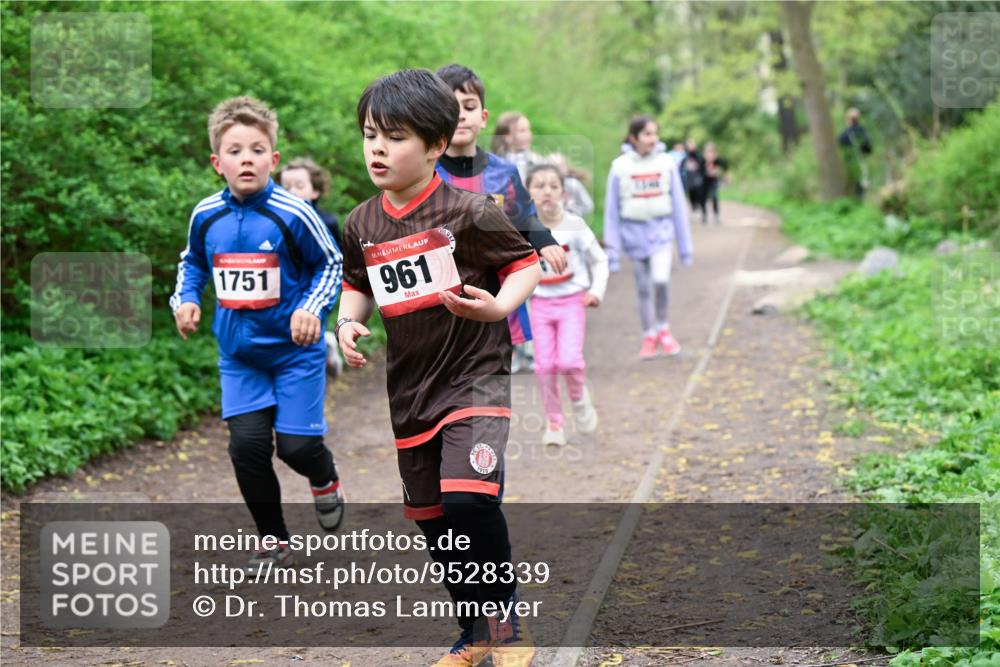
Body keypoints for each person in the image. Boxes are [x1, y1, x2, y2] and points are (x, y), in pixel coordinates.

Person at [336, 68, 541, 667]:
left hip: (475, 378)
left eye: (394, 136)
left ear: (433, 144)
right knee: (433, 520)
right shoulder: (361, 223)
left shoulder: (470, 211)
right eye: (371, 134)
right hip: (411, 391)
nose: (378, 147)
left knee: (469, 502)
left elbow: (524, 262)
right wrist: (350, 322)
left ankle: (504, 626)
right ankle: (472, 634)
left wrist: (500, 306)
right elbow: (357, 284)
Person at [170, 97, 345, 569]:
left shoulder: (293, 213)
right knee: (246, 447)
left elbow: (330, 264)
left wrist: (311, 308)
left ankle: (324, 478)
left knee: (297, 446)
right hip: (240, 355)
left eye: (257, 149)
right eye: (234, 150)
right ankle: (275, 540)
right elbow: (192, 264)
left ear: (274, 159)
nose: (246, 158)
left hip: (294, 352)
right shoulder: (206, 215)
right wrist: (184, 299)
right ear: (216, 162)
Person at [433, 64, 567, 374]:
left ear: (483, 118)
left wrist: (545, 242)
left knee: (491, 383)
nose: (461, 116)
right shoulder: (426, 173)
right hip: (442, 299)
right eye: (451, 109)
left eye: (469, 107)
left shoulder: (503, 173)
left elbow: (523, 216)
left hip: (495, 295)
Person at [525, 163, 608, 447]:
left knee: (569, 362)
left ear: (563, 193)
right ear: (528, 193)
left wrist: (596, 291)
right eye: (539, 186)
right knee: (544, 365)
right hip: (540, 304)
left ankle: (579, 400)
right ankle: (554, 422)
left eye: (553, 186)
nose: (546, 192)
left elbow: (600, 259)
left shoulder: (574, 225)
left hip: (572, 301)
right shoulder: (524, 228)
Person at [604, 116, 693, 359]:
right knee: (643, 287)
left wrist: (685, 248)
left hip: (661, 234)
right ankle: (649, 334)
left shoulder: (666, 163)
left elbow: (678, 206)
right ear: (634, 138)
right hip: (633, 237)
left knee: (661, 280)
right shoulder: (619, 167)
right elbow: (612, 213)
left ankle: (664, 327)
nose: (653, 139)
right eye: (647, 134)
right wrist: (613, 254)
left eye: (655, 134)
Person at [278, 157, 346, 377]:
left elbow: (337, 258)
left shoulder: (326, 221)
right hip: (283, 291)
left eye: (299, 186)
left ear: (315, 191)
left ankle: (320, 356)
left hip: (314, 290)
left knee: (306, 332)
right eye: (285, 187)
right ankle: (326, 344)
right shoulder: (274, 222)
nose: (291, 192)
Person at [490, 111, 542, 182]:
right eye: (522, 131)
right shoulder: (496, 164)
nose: (529, 134)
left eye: (529, 130)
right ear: (507, 137)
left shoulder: (536, 160)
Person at [546, 152, 594, 218]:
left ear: (566, 168)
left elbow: (588, 206)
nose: (556, 170)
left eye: (559, 166)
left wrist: (572, 210)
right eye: (552, 166)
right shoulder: (542, 186)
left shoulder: (573, 185)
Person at [838, 107, 872, 197]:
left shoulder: (844, 134)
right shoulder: (863, 131)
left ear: (848, 119)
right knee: (862, 189)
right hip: (862, 163)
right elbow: (868, 148)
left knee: (851, 191)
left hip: (849, 166)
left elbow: (841, 150)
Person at [702, 142, 728, 225]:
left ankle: (716, 215)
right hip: (704, 182)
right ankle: (704, 215)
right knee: (703, 199)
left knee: (714, 197)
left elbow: (725, 168)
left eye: (711, 152)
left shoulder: (718, 160)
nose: (709, 154)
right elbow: (698, 171)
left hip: (713, 182)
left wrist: (725, 176)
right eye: (708, 152)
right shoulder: (702, 160)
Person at [682, 138, 706, 223]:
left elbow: (703, 166)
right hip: (690, 180)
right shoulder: (686, 156)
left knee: (700, 196)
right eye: (689, 145)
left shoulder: (699, 156)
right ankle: (694, 210)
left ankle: (703, 214)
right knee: (691, 196)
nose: (690, 147)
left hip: (698, 180)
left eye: (691, 144)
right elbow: (682, 166)